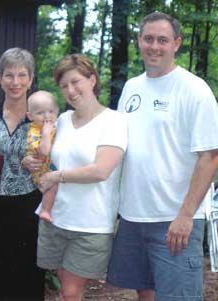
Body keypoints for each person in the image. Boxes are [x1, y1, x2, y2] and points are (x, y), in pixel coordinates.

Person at [106, 12, 218, 301]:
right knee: (145, 294)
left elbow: (210, 157)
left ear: (176, 43)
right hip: (133, 216)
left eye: (163, 40)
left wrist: (185, 216)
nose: (154, 46)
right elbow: (116, 147)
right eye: (148, 39)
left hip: (175, 219)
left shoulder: (195, 90)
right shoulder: (132, 87)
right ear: (139, 41)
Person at [31, 54, 127, 301]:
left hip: (90, 225)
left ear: (92, 80)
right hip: (56, 218)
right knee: (65, 290)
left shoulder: (114, 122)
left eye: (76, 82)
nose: (70, 91)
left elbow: (100, 171)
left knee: (71, 292)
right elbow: (47, 156)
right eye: (64, 86)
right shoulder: (62, 120)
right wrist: (30, 161)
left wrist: (56, 177)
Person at [0, 47, 45, 300]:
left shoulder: (41, 119)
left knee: (29, 272)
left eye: (22, 75)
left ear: (31, 78)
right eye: (9, 75)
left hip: (29, 202)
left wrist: (39, 161)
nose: (15, 82)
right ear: (0, 78)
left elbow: (52, 161)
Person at [26, 90, 59, 222]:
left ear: (57, 111)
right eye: (40, 113)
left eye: (50, 111)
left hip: (51, 167)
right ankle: (45, 210)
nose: (46, 116)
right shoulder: (34, 132)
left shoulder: (56, 126)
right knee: (53, 186)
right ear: (30, 116)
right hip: (42, 171)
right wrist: (46, 133)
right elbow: (44, 151)